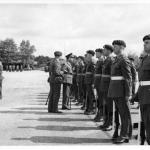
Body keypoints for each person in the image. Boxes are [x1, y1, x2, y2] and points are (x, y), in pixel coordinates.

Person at [108, 40, 132, 144]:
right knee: (119, 113)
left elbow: (128, 78)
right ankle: (123, 134)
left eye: (116, 46)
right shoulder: (116, 59)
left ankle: (125, 135)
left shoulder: (124, 59)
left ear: (122, 47)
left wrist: (128, 93)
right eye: (113, 46)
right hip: (115, 90)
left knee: (124, 114)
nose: (114, 48)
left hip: (121, 91)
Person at [138, 34, 150, 145]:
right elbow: (142, 79)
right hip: (143, 94)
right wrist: (137, 95)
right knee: (146, 122)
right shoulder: (145, 58)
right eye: (144, 43)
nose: (144, 45)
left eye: (147, 43)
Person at [99, 44, 114, 131]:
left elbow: (112, 74)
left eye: (104, 50)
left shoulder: (111, 59)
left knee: (110, 105)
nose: (103, 51)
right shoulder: (106, 59)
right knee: (106, 104)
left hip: (108, 85)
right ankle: (106, 121)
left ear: (108, 50)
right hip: (104, 85)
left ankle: (110, 123)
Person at [93, 48, 104, 122]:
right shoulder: (98, 61)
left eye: (97, 53)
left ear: (101, 53)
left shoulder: (102, 61)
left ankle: (102, 115)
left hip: (101, 83)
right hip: (97, 83)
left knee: (101, 100)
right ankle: (99, 114)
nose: (96, 54)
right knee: (99, 100)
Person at [84, 50, 96, 115]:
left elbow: (94, 73)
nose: (87, 56)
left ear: (91, 55)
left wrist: (93, 82)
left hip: (90, 81)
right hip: (88, 81)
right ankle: (89, 108)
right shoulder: (89, 62)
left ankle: (92, 109)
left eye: (88, 55)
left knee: (91, 96)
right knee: (89, 95)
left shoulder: (92, 61)